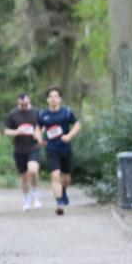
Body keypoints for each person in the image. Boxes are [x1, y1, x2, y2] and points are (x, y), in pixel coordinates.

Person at [38, 86, 81, 215]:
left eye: (56, 96)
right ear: (47, 99)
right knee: (55, 175)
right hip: (51, 149)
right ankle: (59, 203)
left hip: (65, 148)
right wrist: (39, 138)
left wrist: (69, 136)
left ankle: (63, 190)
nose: (53, 99)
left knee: (66, 178)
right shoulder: (43, 114)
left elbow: (77, 124)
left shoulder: (66, 112)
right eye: (50, 96)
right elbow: (37, 128)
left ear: (60, 99)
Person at [4, 93, 43, 211]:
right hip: (19, 149)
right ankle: (27, 199)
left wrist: (38, 134)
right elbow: (6, 131)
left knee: (33, 170)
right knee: (24, 177)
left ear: (29, 101)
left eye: (26, 104)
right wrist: (17, 131)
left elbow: (43, 126)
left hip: (33, 146)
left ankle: (35, 193)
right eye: (22, 104)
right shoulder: (13, 114)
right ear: (18, 103)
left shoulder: (36, 112)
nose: (24, 106)